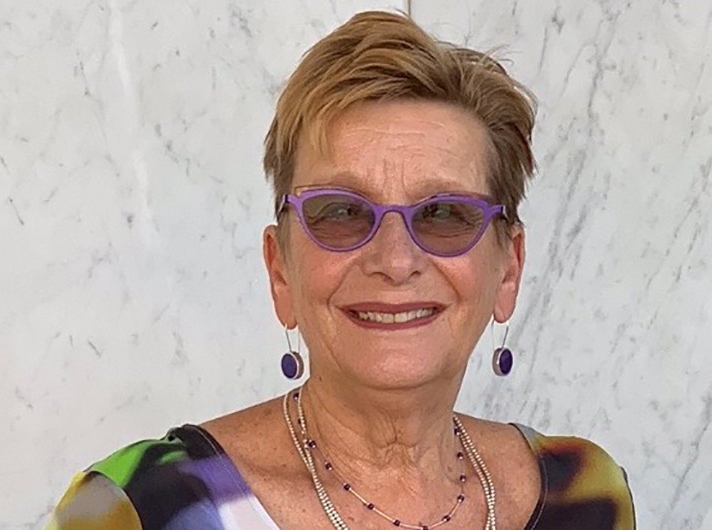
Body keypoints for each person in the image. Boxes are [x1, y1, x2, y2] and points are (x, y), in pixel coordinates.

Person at [46, 10, 634, 530]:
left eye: (445, 214)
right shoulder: (144, 509)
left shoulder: (582, 496)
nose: (396, 259)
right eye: (342, 213)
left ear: (508, 270)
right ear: (282, 271)